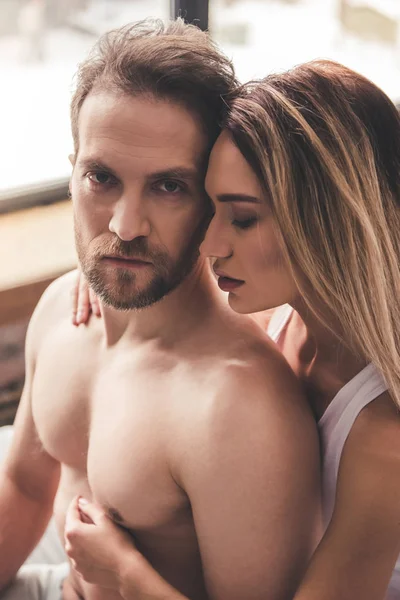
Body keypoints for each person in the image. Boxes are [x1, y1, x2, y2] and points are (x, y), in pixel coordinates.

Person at [0, 19, 320, 600]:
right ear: (72, 170)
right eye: (101, 178)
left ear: (213, 197)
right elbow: (24, 488)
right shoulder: (60, 313)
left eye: (169, 187)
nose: (124, 227)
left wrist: (124, 573)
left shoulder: (239, 408)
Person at [71, 59, 400, 600]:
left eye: (241, 219)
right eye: (211, 210)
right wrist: (111, 272)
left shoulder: (383, 437)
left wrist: (124, 573)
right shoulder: (288, 313)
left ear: (327, 221)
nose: (209, 245)